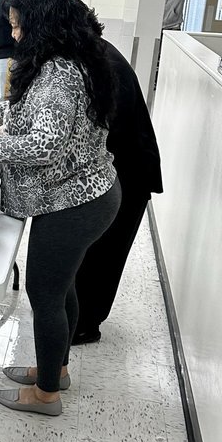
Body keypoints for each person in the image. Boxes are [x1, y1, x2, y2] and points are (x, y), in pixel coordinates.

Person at [0, 0, 120, 416]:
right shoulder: (71, 59)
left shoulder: (59, 74)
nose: (13, 35)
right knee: (62, 286)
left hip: (75, 201)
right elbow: (41, 116)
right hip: (85, 195)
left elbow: (42, 145)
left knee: (44, 293)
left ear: (42, 24)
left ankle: (46, 395)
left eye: (17, 26)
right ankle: (57, 369)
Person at [72, 39, 163, 344]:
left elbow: (100, 129)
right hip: (115, 166)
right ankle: (78, 317)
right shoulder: (90, 53)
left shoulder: (103, 64)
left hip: (129, 170)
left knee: (106, 250)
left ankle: (86, 324)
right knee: (94, 248)